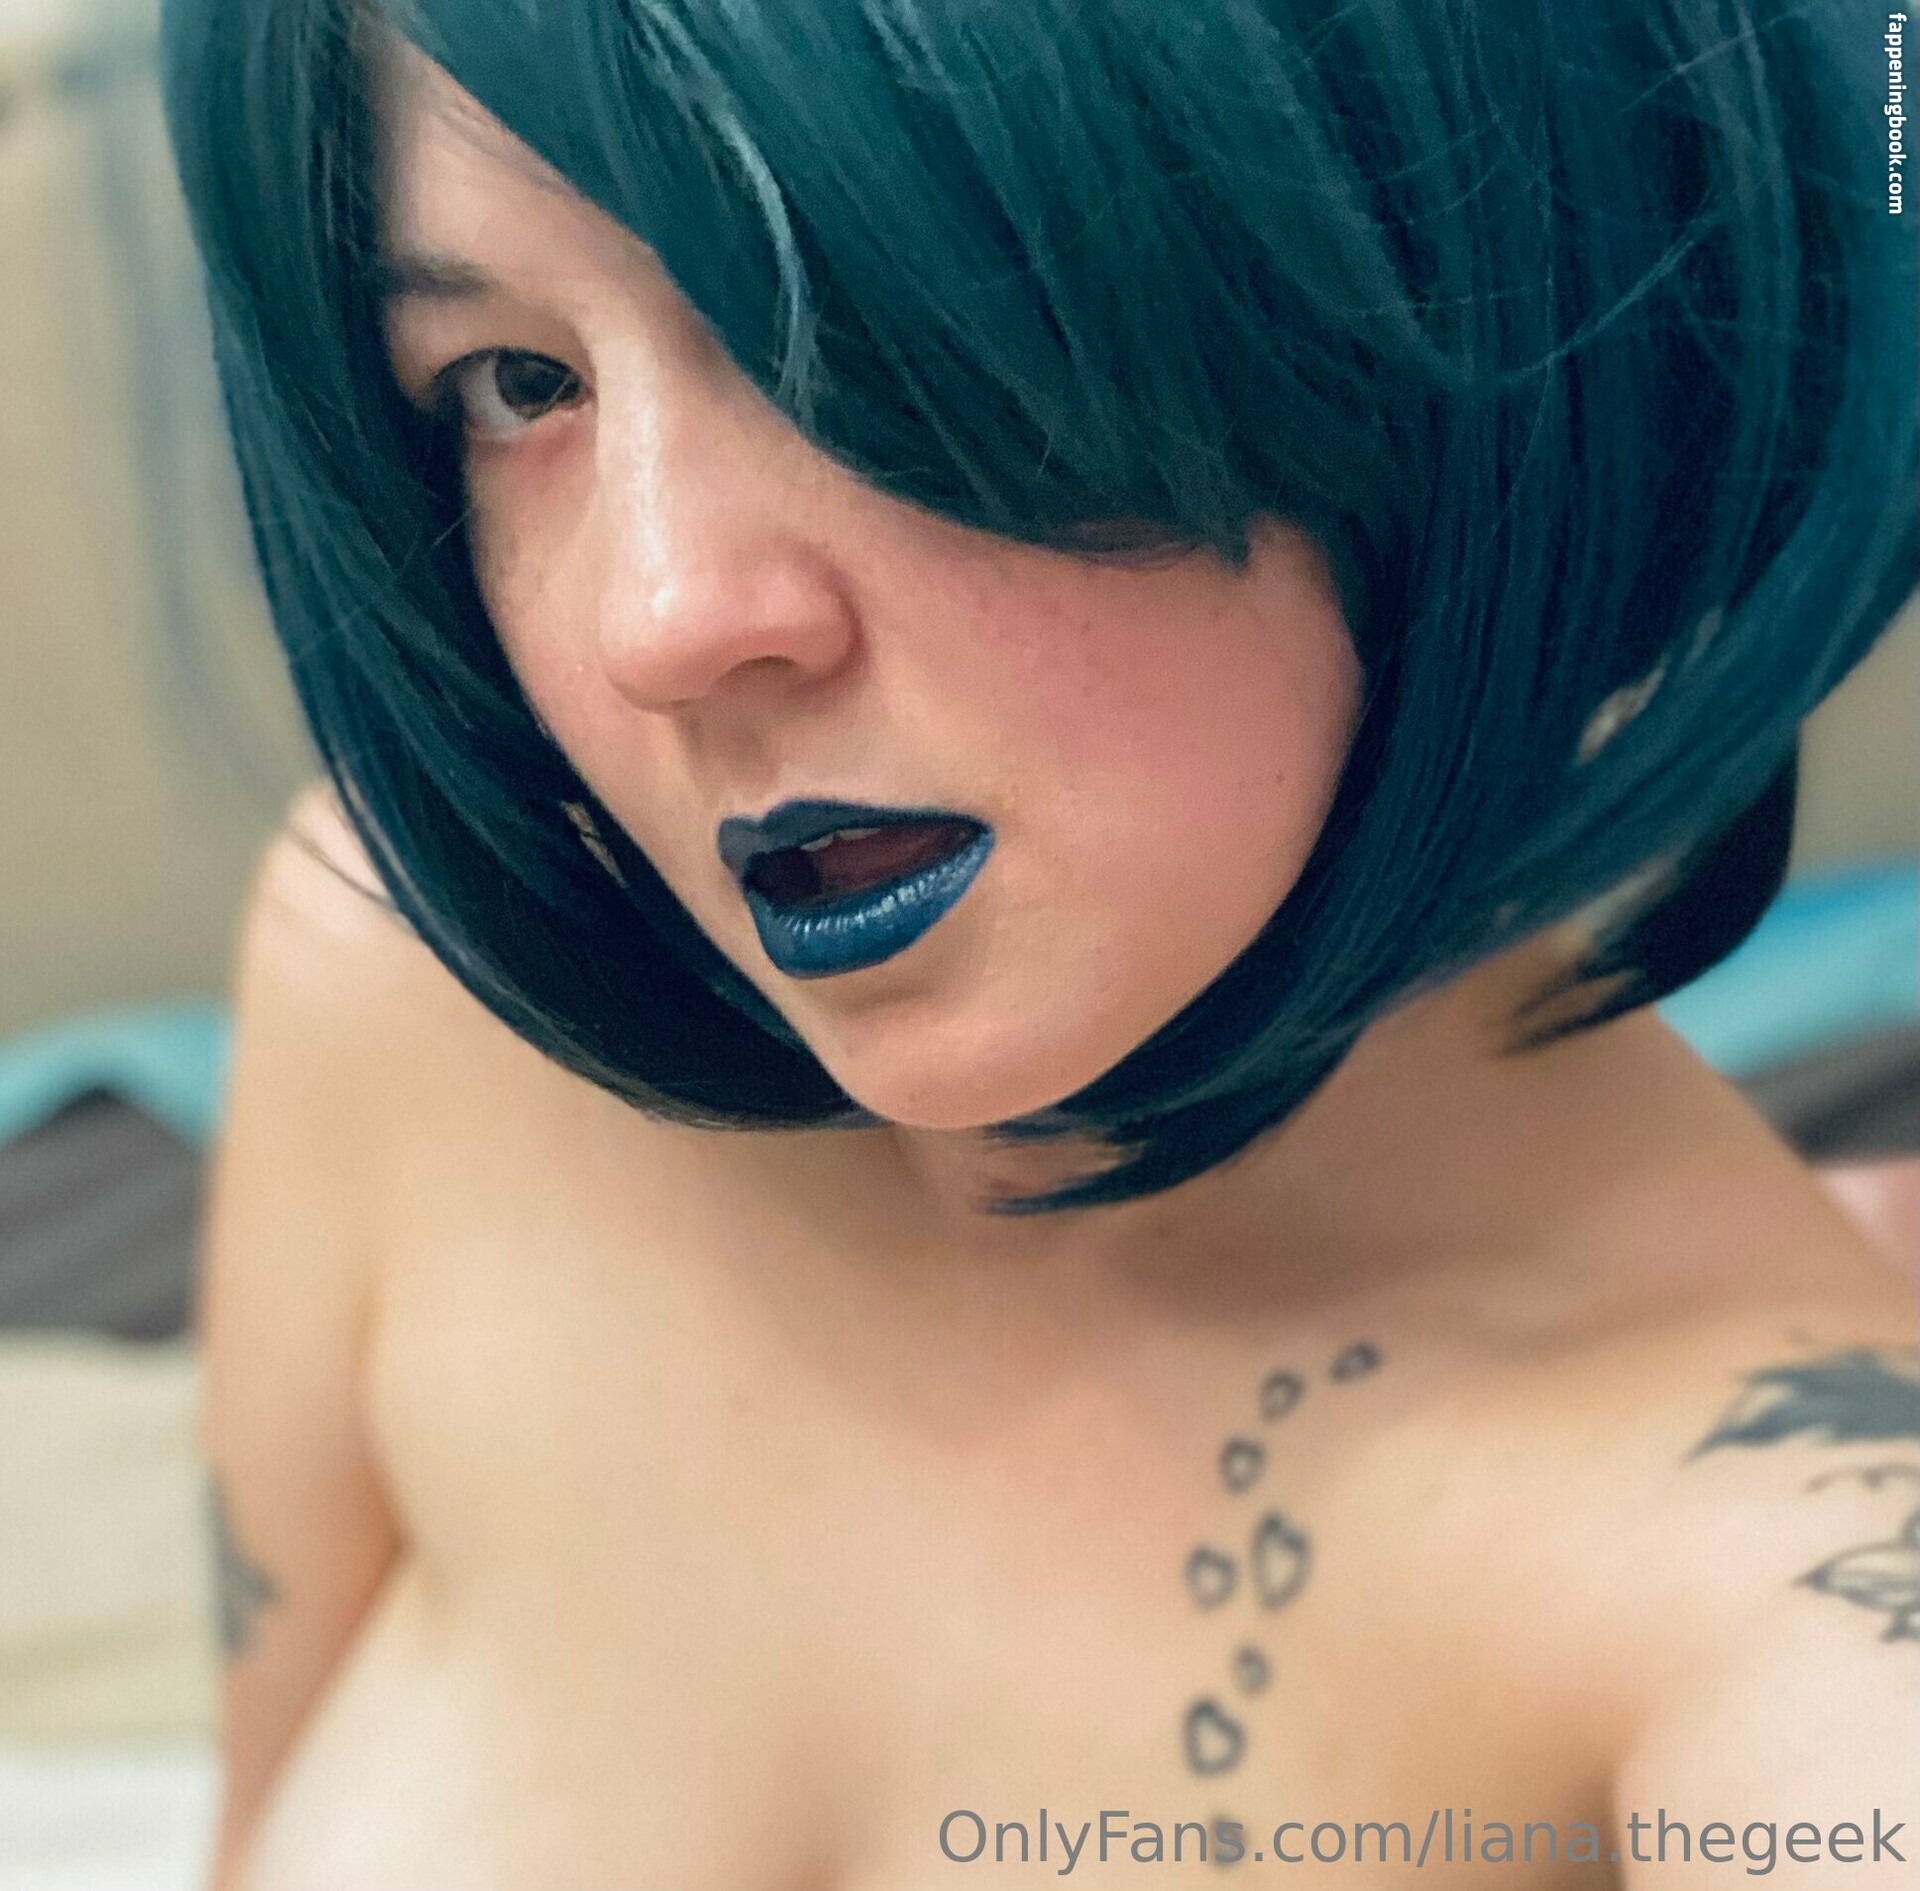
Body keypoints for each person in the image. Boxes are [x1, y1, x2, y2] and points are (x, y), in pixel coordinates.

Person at [161, 0, 1918, 1883]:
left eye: (840, 311)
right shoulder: (400, 995)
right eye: (519, 383)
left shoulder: (1804, 1600)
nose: (659, 620)